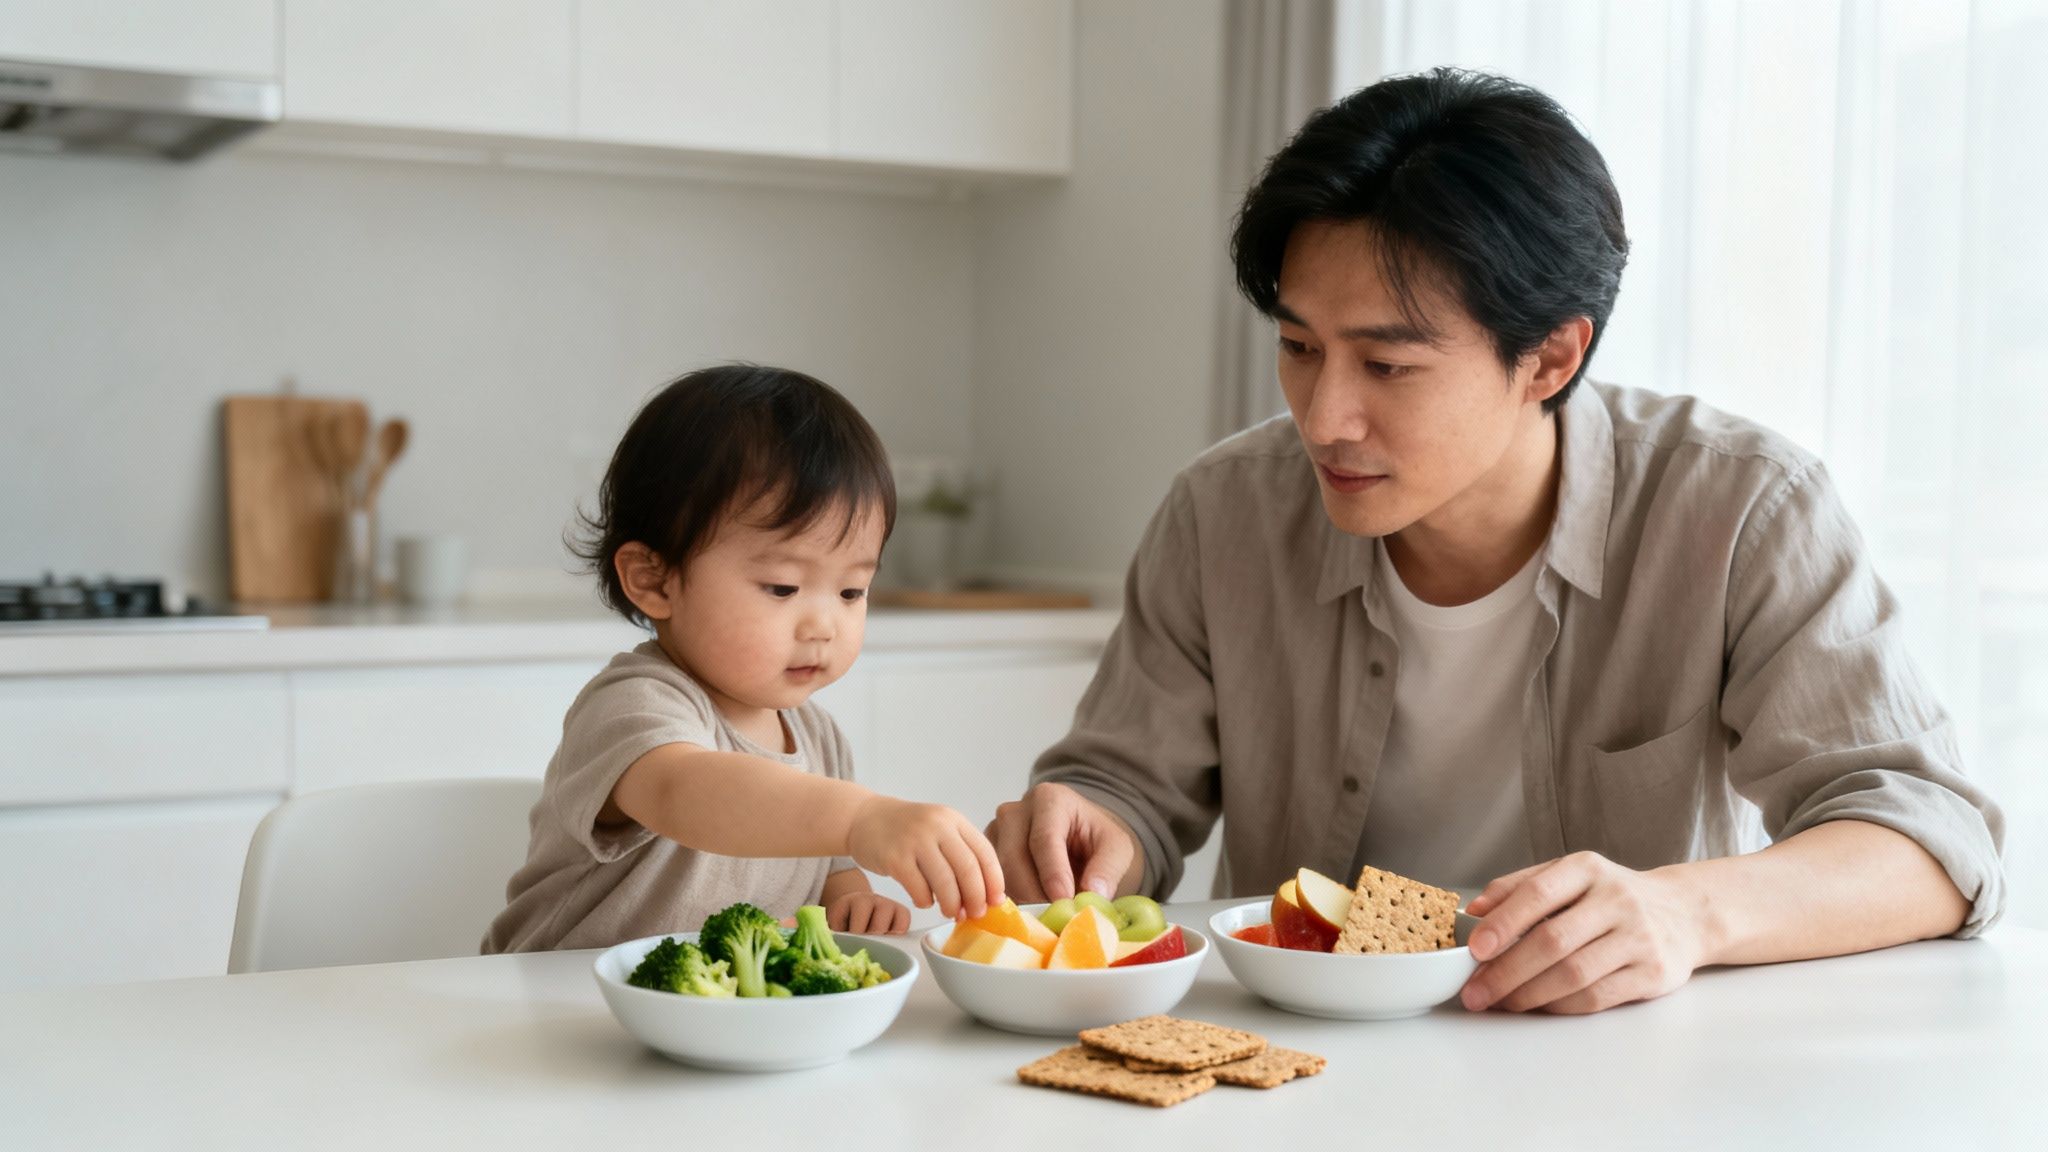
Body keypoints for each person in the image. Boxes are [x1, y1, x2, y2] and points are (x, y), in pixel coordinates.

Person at [985, 68, 2004, 1014]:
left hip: (1620, 1071)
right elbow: (1126, 790)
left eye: (1386, 366)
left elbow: (1926, 840)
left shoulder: (1740, 509)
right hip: (1306, 1059)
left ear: (1550, 357)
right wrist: (1086, 829)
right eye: (1298, 348)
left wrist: (1683, 913)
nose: (1323, 416)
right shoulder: (1221, 513)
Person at [486, 364, 1003, 953]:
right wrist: (862, 818)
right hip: (554, 1007)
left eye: (851, 592)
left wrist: (849, 897)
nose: (824, 625)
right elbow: (686, 792)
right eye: (783, 588)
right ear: (654, 580)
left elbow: (825, 865)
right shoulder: (632, 703)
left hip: (714, 1022)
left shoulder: (819, 739)